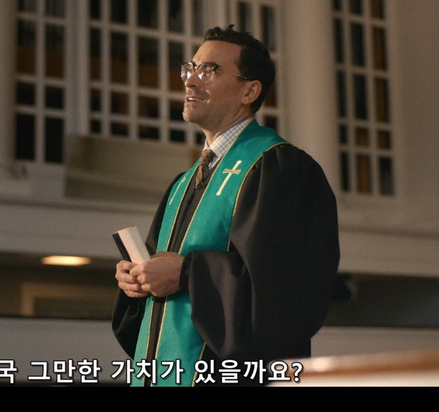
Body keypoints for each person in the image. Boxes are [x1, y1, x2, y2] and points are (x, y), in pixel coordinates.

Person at [112, 25, 340, 387]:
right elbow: (162, 283)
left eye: (210, 71)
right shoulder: (183, 183)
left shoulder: (279, 167)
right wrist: (138, 282)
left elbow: (287, 291)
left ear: (250, 91)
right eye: (190, 69)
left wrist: (187, 274)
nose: (190, 81)